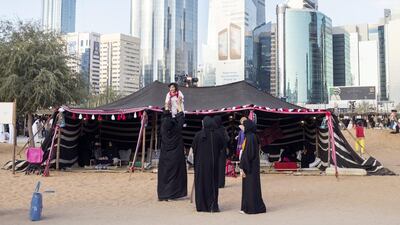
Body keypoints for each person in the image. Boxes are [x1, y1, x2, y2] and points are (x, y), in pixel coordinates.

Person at [192, 116, 224, 212]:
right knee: (212, 184)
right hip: (212, 165)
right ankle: (212, 206)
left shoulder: (198, 135)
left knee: (201, 184)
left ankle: (201, 206)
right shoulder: (217, 135)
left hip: (200, 165)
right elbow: (221, 147)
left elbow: (194, 148)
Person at [157, 100, 187, 201]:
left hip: (165, 157)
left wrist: (166, 106)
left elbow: (165, 118)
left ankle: (164, 194)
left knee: (165, 176)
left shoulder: (163, 130)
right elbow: (181, 117)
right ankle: (174, 194)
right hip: (176, 156)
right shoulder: (177, 129)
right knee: (175, 176)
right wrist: (178, 105)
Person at [239, 119, 266, 214]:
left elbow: (248, 154)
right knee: (252, 187)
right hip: (252, 166)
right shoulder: (252, 136)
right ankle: (251, 207)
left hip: (249, 167)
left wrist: (242, 166)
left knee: (250, 187)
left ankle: (251, 208)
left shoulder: (250, 137)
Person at [214, 115, 230, 188]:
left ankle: (215, 182)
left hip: (214, 150)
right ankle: (221, 183)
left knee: (215, 166)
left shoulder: (213, 129)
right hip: (222, 150)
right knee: (221, 166)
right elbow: (228, 139)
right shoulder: (223, 129)